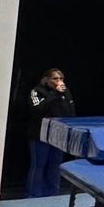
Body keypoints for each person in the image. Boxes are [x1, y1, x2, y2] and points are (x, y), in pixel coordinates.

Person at [25, 67, 75, 198]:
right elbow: (37, 109)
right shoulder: (37, 91)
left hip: (57, 135)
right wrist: (54, 94)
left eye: (61, 78)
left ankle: (53, 195)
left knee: (55, 165)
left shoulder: (65, 92)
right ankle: (33, 195)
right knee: (38, 165)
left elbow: (70, 111)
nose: (59, 81)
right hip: (40, 135)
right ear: (46, 80)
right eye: (55, 78)